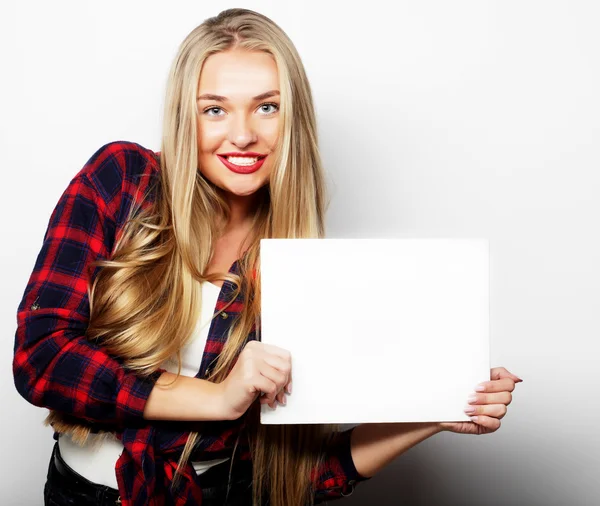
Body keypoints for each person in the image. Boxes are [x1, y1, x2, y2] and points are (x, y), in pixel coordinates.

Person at [12, 7, 522, 506]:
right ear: (185, 117)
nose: (243, 135)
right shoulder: (122, 178)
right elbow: (40, 359)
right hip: (84, 493)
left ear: (291, 118)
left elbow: (301, 474)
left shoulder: (302, 269)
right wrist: (215, 397)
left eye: (267, 107)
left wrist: (433, 408)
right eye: (215, 108)